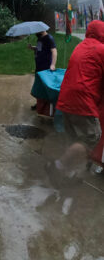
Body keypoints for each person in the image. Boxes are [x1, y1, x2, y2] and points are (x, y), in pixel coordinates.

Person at [48, 20, 104, 183]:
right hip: (83, 101)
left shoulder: (80, 46)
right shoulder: (101, 49)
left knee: (74, 140)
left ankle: (68, 174)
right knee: (92, 137)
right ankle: (57, 167)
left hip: (65, 100)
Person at [28, 28, 57, 111]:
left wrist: (53, 65)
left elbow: (54, 51)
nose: (35, 33)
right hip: (39, 66)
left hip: (46, 67)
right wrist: (32, 48)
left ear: (41, 30)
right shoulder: (40, 38)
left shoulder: (49, 38)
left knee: (45, 87)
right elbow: (39, 48)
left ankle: (47, 106)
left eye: (36, 31)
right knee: (39, 86)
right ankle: (39, 104)